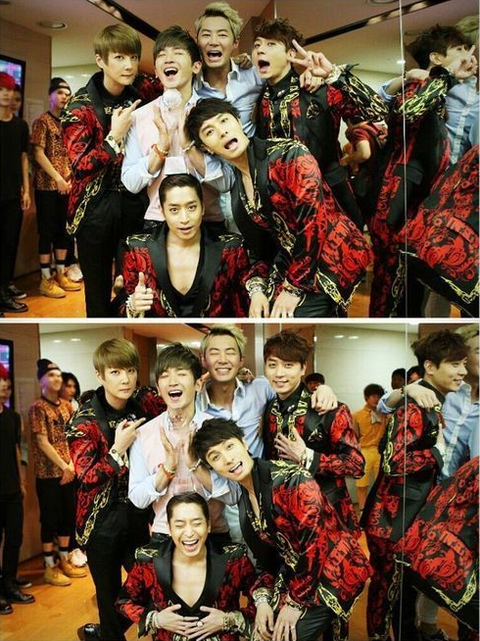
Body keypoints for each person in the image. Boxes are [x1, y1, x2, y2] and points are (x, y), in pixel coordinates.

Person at [185, 98, 372, 318]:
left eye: (224, 120)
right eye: (209, 131)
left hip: (334, 254)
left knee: (290, 316)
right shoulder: (237, 188)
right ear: (206, 148)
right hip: (292, 261)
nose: (222, 131)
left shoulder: (289, 155)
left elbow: (313, 223)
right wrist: (257, 290)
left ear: (238, 121)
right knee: (257, 311)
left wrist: (293, 288)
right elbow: (258, 249)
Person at [192, 418, 372, 641]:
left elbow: (316, 545)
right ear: (213, 468)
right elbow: (264, 560)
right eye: (215, 457)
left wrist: (295, 603)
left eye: (229, 446)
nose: (228, 459)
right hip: (297, 574)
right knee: (262, 630)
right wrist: (263, 602)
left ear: (244, 443)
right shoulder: (245, 498)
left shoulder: (292, 479)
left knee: (283, 636)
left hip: (334, 572)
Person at [361, 330, 469, 641]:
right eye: (454, 364)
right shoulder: (415, 405)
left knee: (401, 595)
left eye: (463, 364)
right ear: (430, 367)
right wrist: (436, 452)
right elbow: (394, 462)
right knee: (387, 593)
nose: (462, 371)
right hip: (391, 521)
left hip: (404, 517)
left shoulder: (429, 400)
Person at [368, 25, 476, 316]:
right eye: (459, 50)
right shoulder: (419, 86)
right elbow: (409, 111)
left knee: (408, 287)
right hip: (397, 197)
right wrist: (446, 77)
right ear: (437, 58)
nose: (467, 56)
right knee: (392, 281)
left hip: (415, 200)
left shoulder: (439, 92)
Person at [252, 18, 388, 229]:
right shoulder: (260, 99)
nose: (260, 50)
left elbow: (378, 110)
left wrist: (333, 74)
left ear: (291, 54)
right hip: (286, 204)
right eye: (257, 45)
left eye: (271, 44)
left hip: (332, 199)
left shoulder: (318, 89)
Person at [66, 338, 152, 641]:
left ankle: (102, 634)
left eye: (130, 370)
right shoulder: (82, 422)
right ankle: (107, 633)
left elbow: (173, 393)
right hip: (99, 521)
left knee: (150, 585)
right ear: (100, 375)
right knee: (108, 595)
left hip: (136, 514)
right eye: (115, 372)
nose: (125, 379)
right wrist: (117, 450)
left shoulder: (142, 404)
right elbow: (86, 477)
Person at [61, 24, 144, 317]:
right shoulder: (79, 107)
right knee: (97, 294)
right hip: (94, 208)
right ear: (101, 60)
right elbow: (80, 166)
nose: (129, 65)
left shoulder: (141, 94)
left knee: (135, 289)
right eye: (119, 57)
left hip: (134, 203)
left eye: (133, 57)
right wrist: (113, 138)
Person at [128, 343, 231, 549]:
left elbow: (233, 494)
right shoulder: (144, 434)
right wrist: (167, 470)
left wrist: (195, 465)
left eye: (181, 374)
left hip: (213, 534)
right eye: (165, 376)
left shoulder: (218, 429)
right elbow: (137, 499)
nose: (173, 381)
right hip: (165, 536)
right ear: (158, 389)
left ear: (198, 384)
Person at [120, 173, 266, 317]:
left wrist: (257, 292)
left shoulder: (231, 247)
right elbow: (121, 304)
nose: (184, 219)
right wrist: (133, 305)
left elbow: (254, 274)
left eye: (191, 207)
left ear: (202, 207)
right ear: (162, 211)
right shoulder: (138, 248)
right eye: (174, 210)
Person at [117, 492, 258, 641]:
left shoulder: (233, 559)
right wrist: (156, 620)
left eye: (197, 523)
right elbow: (124, 601)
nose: (189, 533)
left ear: (208, 525)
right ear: (169, 528)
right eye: (179, 525)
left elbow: (262, 591)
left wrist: (230, 620)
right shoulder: (148, 561)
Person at [122, 25, 225, 226]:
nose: (168, 59)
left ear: (196, 66)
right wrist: (161, 150)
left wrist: (189, 147)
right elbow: (131, 183)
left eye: (178, 53)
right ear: (156, 71)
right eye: (162, 55)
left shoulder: (213, 113)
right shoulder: (139, 117)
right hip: (158, 222)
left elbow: (226, 182)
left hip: (208, 221)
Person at [262, 330, 363, 534]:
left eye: (288, 365)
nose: (279, 373)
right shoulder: (268, 407)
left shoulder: (329, 409)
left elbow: (356, 465)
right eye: (272, 365)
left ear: (303, 368)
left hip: (327, 514)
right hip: (284, 514)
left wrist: (307, 457)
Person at [28, 359, 86, 587]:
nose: (57, 379)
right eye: (51, 375)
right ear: (41, 380)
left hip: (69, 471)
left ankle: (64, 559)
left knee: (67, 518)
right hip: (49, 474)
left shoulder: (66, 405)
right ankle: (49, 566)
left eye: (59, 375)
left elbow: (73, 436)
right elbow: (42, 442)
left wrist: (71, 465)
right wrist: (64, 466)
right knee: (49, 520)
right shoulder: (37, 407)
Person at [31, 77, 82, 299]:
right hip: (47, 186)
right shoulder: (42, 121)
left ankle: (61, 273)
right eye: (60, 92)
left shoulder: (69, 123)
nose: (64, 97)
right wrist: (58, 178)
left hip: (67, 186)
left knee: (64, 231)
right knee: (47, 232)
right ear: (50, 95)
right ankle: (45, 278)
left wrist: (69, 179)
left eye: (67, 94)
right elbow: (38, 153)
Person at [0, 364, 35, 613]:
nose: (5, 385)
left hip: (12, 489)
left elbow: (19, 451)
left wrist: (22, 481)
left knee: (14, 538)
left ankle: (9, 583)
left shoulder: (13, 417)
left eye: (7, 382)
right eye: (0, 381)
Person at [0, 72, 29, 314]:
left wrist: (26, 190)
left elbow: (23, 158)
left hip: (12, 196)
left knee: (9, 245)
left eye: (9, 89)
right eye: (1, 89)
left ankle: (4, 289)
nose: (6, 94)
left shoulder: (20, 126)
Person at [352, 383, 386, 511]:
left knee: (381, 484)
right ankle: (362, 510)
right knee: (362, 484)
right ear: (366, 397)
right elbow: (354, 437)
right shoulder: (357, 415)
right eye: (373, 396)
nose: (376, 399)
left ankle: (378, 510)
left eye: (379, 396)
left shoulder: (385, 415)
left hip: (380, 452)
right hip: (364, 451)